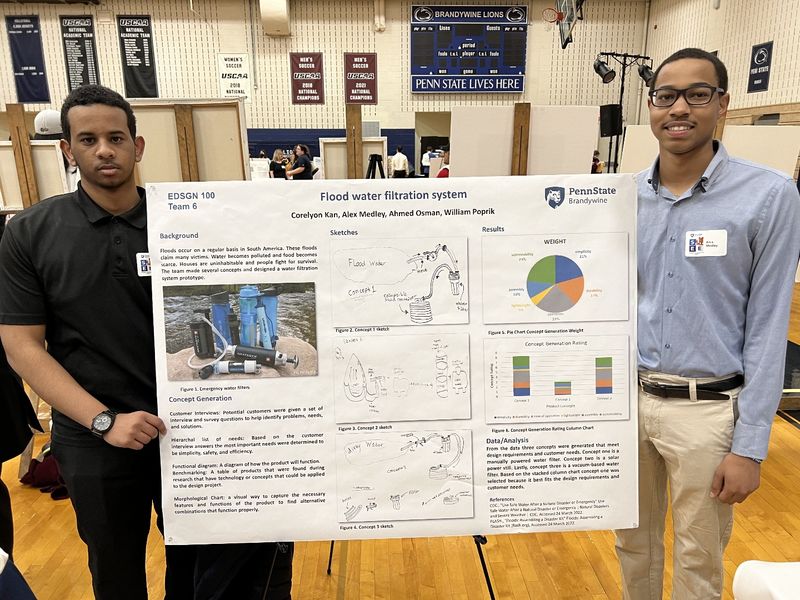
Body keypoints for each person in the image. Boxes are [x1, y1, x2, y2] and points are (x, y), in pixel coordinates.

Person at [614, 48, 800, 600]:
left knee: (700, 557)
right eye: (665, 95)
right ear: (651, 106)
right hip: (627, 403)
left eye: (697, 94)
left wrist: (750, 446)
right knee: (632, 546)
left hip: (709, 414)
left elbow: (768, 328)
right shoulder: (623, 199)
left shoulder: (768, 197)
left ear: (722, 103)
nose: (679, 108)